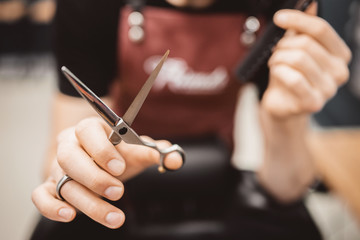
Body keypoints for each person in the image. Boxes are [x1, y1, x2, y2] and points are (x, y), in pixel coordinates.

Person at [30, 0, 351, 239]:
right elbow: (64, 144)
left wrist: (287, 119)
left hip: (218, 181)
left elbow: (286, 188)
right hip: (118, 186)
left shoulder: (281, 7)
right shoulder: (89, 6)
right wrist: (77, 161)